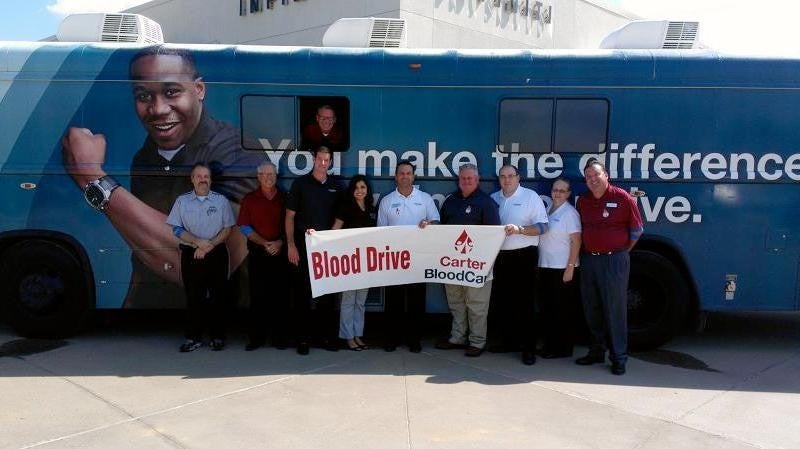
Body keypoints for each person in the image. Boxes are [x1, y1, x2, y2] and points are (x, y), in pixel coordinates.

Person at [62, 47, 259, 309]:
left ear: (199, 90)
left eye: (171, 92)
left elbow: (216, 264)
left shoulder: (235, 150)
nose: (158, 109)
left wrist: (94, 178)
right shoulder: (146, 157)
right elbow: (144, 250)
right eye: (144, 95)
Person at [575, 159, 643, 375]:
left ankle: (619, 358)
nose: (592, 179)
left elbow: (636, 230)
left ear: (606, 175)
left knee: (615, 310)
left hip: (615, 260)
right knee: (591, 308)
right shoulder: (583, 201)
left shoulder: (622, 198)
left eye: (596, 175)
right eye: (588, 177)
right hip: (589, 260)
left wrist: (621, 252)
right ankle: (596, 351)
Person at [432, 163, 501, 357]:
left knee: (477, 305)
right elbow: (441, 230)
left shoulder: (486, 203)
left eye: (470, 178)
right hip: (453, 263)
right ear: (458, 180)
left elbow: (493, 236)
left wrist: (486, 264)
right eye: (463, 178)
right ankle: (457, 337)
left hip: (477, 265)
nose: (466, 181)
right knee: (456, 302)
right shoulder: (450, 201)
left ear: (477, 180)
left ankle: (477, 342)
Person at [166, 163, 235, 352]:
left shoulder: (221, 201)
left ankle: (217, 337)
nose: (203, 179)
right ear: (192, 179)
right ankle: (193, 338)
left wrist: (209, 245)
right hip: (191, 254)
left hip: (217, 253)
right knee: (193, 296)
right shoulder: (182, 201)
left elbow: (228, 229)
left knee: (218, 296)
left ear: (211, 180)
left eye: (206, 176)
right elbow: (176, 229)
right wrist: (198, 242)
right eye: (199, 176)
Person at [376, 160, 441, 353]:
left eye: (408, 173)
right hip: (394, 259)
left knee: (416, 301)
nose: (405, 176)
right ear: (396, 177)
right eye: (401, 173)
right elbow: (380, 231)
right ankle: (391, 339)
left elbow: (437, 223)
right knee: (393, 301)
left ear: (413, 176)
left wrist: (429, 223)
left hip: (418, 258)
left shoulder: (425, 198)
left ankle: (414, 340)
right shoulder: (387, 201)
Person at [285, 146, 344, 355]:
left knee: (327, 296)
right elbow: (290, 217)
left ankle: (325, 337)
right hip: (302, 248)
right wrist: (291, 245)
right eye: (320, 159)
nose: (323, 163)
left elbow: (340, 217)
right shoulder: (300, 184)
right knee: (302, 295)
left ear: (330, 162)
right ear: (313, 159)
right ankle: (303, 339)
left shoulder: (336, 185)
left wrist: (327, 238)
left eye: (326, 160)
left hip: (326, 250)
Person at [488, 164, 548, 365]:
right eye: (503, 176)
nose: (507, 180)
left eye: (511, 176)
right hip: (501, 257)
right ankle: (508, 343)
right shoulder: (494, 198)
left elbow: (543, 227)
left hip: (524, 256)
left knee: (525, 303)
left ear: (518, 177)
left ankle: (528, 349)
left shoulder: (530, 197)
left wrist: (520, 229)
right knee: (503, 302)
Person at [237, 161, 289, 351]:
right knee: (257, 297)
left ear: (276, 176)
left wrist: (280, 242)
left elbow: (291, 224)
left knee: (280, 298)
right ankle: (256, 339)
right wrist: (264, 243)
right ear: (258, 177)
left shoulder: (285, 197)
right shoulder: (250, 199)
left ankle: (279, 338)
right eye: (265, 174)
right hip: (258, 253)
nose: (269, 177)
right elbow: (244, 226)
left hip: (280, 253)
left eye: (272, 174)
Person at [537, 177, 582, 359]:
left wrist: (570, 267)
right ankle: (551, 345)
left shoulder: (570, 213)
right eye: (555, 189)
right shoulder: (549, 209)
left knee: (562, 311)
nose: (557, 193)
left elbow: (576, 241)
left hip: (562, 269)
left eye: (562, 191)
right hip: (547, 266)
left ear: (569, 194)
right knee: (549, 309)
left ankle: (562, 348)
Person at [332, 175, 377, 351]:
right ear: (352, 190)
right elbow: (335, 230)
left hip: (366, 261)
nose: (360, 190)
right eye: (356, 187)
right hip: (349, 261)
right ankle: (348, 337)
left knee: (361, 301)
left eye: (363, 187)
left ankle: (358, 335)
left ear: (367, 190)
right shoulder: (346, 208)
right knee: (348, 301)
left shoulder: (372, 209)